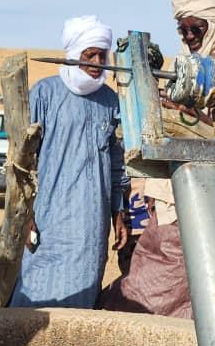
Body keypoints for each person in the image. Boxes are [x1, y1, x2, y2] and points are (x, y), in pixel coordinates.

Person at [101, 0, 215, 319]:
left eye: (196, 28)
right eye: (182, 29)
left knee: (142, 299)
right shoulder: (186, 67)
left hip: (196, 207)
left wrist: (185, 116)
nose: (188, 36)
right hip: (168, 204)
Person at [11, 15, 128, 308]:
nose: (98, 62)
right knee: (35, 299)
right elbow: (19, 160)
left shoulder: (111, 101)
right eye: (90, 55)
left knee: (82, 299)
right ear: (74, 55)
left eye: (103, 55)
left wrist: (118, 212)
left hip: (92, 227)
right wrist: (24, 215)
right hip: (48, 221)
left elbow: (117, 164)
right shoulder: (45, 93)